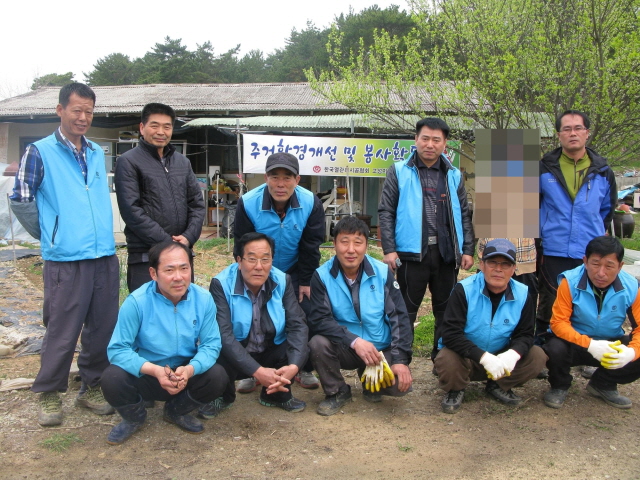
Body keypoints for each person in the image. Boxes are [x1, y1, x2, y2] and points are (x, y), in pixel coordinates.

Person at [9, 83, 119, 427]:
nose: (83, 117)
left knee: (102, 326)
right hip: (66, 259)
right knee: (62, 328)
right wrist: (51, 234)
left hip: (104, 254)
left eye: (89, 111)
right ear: (60, 110)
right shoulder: (39, 151)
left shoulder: (97, 152)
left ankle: (93, 386)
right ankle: (50, 392)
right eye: (77, 110)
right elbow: (21, 198)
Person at [101, 241, 229, 444]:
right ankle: (134, 417)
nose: (178, 277)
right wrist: (155, 371)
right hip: (148, 372)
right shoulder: (137, 302)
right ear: (154, 273)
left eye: (184, 268)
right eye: (169, 270)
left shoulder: (203, 299)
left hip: (183, 374)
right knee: (112, 377)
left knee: (218, 375)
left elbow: (211, 344)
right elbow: (118, 349)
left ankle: (176, 410)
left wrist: (189, 370)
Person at [378, 117, 474, 359]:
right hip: (412, 253)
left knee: (446, 310)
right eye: (425, 138)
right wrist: (389, 249)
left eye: (436, 140)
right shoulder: (399, 171)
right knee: (406, 309)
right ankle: (401, 358)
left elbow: (464, 214)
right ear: (416, 139)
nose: (430, 144)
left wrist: (468, 249)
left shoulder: (453, 174)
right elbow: (386, 211)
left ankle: (441, 358)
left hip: (446, 253)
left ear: (445, 144)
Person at [233, 152, 324, 391]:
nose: (280, 184)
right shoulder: (249, 202)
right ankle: (250, 370)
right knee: (251, 315)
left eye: (287, 177)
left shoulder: (311, 203)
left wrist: (305, 280)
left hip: (295, 269)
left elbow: (311, 245)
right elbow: (242, 242)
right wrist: (250, 275)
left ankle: (303, 368)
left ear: (298, 179)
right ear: (266, 178)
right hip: (258, 268)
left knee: (304, 313)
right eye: (274, 177)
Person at [308, 216, 413, 416]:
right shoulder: (321, 276)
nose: (350, 250)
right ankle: (338, 391)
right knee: (317, 343)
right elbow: (320, 320)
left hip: (380, 348)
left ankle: (368, 377)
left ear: (366, 245)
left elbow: (399, 317)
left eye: (358, 242)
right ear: (334, 244)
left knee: (399, 386)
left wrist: (400, 360)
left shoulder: (382, 273)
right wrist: (355, 341)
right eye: (344, 241)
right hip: (346, 346)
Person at [198, 232, 309, 417]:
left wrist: (295, 367)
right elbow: (224, 334)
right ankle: (222, 395)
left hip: (270, 348)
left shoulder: (282, 280)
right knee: (216, 349)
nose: (259, 267)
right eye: (251, 259)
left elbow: (297, 324)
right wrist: (257, 372)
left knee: (301, 342)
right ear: (239, 261)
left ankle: (276, 394)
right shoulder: (221, 284)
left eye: (265, 259)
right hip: (238, 351)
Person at [435, 239, 547, 414]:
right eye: (492, 262)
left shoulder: (523, 293)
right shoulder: (463, 290)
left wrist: (512, 354)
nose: (498, 269)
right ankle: (455, 388)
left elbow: (525, 334)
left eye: (505, 264)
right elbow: (450, 334)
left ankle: (498, 384)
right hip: (467, 358)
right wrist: (484, 358)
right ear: (482, 264)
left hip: (501, 357)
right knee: (446, 357)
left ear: (514, 268)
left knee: (537, 356)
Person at [538, 110, 616, 343]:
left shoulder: (603, 171)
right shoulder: (543, 168)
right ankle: (544, 353)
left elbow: (607, 211)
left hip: (589, 251)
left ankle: (587, 354)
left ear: (587, 133)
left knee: (588, 304)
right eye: (567, 129)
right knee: (550, 302)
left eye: (578, 128)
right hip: (553, 249)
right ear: (559, 135)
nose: (573, 133)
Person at [115, 102, 204, 292]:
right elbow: (131, 210)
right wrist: (167, 244)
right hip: (145, 256)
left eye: (167, 126)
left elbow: (197, 204)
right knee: (149, 315)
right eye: (154, 125)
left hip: (181, 256)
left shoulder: (182, 162)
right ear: (142, 128)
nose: (161, 132)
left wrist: (188, 238)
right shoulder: (128, 161)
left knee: (183, 312)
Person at [542, 236, 640, 409]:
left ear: (620, 266)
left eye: (609, 266)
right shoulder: (569, 281)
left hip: (611, 343)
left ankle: (603, 384)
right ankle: (560, 385)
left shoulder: (632, 286)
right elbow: (558, 323)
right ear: (585, 261)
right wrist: (590, 344)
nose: (601, 273)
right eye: (595, 263)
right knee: (554, 347)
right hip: (575, 343)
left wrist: (632, 353)